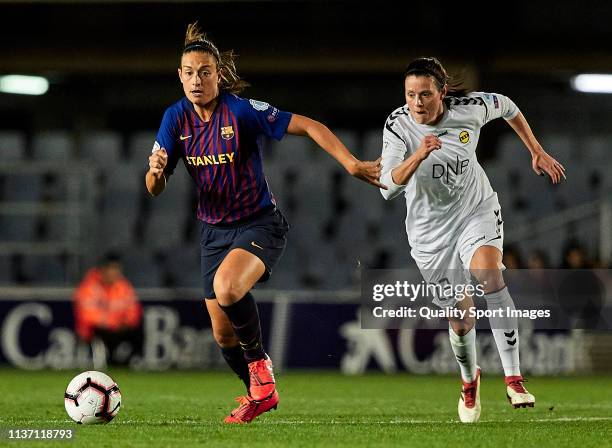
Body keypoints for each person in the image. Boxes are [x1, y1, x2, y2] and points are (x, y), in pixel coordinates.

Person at [145, 22, 384, 424]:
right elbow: (155, 187)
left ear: (218, 74)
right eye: (188, 72)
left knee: (228, 287)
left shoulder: (241, 111)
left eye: (205, 71)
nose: (196, 79)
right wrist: (156, 171)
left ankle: (261, 370)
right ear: (179, 76)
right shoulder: (175, 119)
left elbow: (310, 125)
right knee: (223, 335)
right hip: (212, 233)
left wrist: (352, 163)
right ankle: (260, 395)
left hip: (259, 224)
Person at [379, 57, 565, 423]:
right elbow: (388, 187)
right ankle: (469, 380)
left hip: (474, 210)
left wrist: (535, 149)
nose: (417, 102)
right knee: (461, 320)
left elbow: (508, 106)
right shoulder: (397, 125)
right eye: (411, 94)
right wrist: (419, 154)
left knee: (488, 273)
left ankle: (514, 377)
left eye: (425, 94)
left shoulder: (471, 108)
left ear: (442, 92)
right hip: (430, 234)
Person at [73, 253, 143, 368]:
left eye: (117, 269)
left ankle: (123, 366)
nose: (114, 273)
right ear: (102, 270)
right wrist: (112, 323)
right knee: (100, 332)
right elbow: (87, 315)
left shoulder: (123, 286)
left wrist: (126, 323)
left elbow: (133, 310)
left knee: (138, 333)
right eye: (111, 269)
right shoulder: (89, 286)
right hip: (96, 330)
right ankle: (108, 364)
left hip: (118, 329)